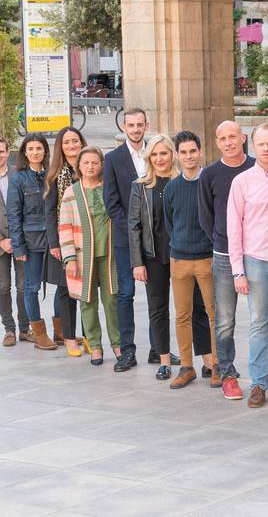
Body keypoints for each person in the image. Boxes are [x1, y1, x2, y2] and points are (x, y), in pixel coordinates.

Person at [105, 108, 174, 368]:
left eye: (139, 124)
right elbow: (112, 204)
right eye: (130, 125)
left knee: (159, 297)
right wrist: (137, 231)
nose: (135, 129)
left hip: (159, 243)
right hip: (128, 239)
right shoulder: (113, 159)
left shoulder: (156, 151)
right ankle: (128, 351)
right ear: (124, 127)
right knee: (126, 294)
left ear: (147, 125)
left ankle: (159, 349)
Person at [228, 123, 268, 408]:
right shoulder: (242, 181)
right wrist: (238, 270)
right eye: (261, 144)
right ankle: (259, 383)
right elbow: (233, 228)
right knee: (258, 322)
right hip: (255, 260)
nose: (265, 148)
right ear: (253, 146)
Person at [198, 120, 255, 398]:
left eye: (233, 136)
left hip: (257, 252)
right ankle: (228, 373)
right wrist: (223, 241)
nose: (229, 142)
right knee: (225, 318)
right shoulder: (209, 174)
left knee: (264, 316)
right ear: (217, 142)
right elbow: (205, 216)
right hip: (222, 254)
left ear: (243, 138)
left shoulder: (257, 168)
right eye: (223, 138)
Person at [162, 131, 218, 389]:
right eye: (183, 152)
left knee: (214, 313)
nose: (188, 156)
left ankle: (217, 364)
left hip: (207, 258)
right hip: (180, 259)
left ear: (200, 151)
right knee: (182, 314)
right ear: (177, 155)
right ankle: (186, 366)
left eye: (192, 151)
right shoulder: (172, 187)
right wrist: (180, 245)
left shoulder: (209, 181)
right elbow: (170, 223)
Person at [58, 146, 121, 365]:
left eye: (95, 162)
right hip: (83, 256)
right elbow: (64, 227)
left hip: (109, 253)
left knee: (112, 299)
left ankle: (118, 344)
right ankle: (94, 345)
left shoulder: (109, 188)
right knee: (87, 301)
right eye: (86, 163)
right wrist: (70, 258)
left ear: (102, 165)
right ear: (79, 166)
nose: (90, 167)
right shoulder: (71, 193)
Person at [127, 134, 179, 381]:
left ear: (172, 155)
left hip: (182, 256)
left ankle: (196, 360)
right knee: (157, 308)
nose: (159, 159)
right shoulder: (140, 185)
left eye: (164, 153)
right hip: (154, 256)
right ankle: (164, 359)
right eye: (155, 154)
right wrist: (137, 262)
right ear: (149, 158)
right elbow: (134, 225)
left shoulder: (183, 181)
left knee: (190, 308)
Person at [7, 134, 58, 350]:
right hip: (30, 241)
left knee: (62, 285)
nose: (35, 152)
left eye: (39, 148)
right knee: (31, 287)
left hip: (53, 239)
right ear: (25, 153)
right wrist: (18, 245)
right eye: (31, 149)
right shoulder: (18, 179)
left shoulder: (51, 175)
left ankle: (62, 329)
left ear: (45, 151)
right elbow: (13, 215)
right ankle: (39, 334)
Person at [0, 136, 31, 346]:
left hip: (22, 240)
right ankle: (9, 329)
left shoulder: (20, 175)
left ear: (7, 152)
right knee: (3, 286)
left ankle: (24, 328)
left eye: (1, 151)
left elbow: (29, 208)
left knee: (24, 286)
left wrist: (18, 237)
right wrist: (0, 240)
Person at [45, 126, 86, 357]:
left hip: (87, 238)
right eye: (67, 142)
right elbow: (49, 212)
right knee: (65, 291)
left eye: (75, 141)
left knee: (87, 290)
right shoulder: (55, 175)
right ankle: (69, 337)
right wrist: (54, 244)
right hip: (65, 240)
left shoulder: (90, 168)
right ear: (60, 147)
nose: (72, 146)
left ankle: (89, 335)